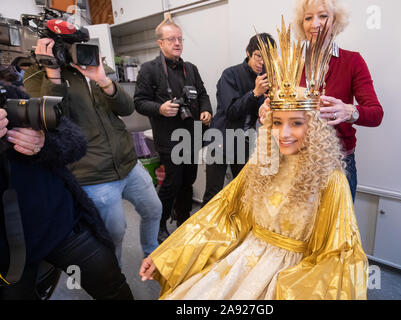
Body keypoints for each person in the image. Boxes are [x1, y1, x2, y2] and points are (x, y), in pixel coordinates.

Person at [138, 22, 368, 299]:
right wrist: (168, 254)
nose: (284, 133)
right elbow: (221, 214)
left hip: (291, 277)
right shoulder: (262, 163)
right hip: (242, 248)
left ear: (314, 127)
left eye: (296, 123)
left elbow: (339, 255)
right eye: (277, 122)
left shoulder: (330, 179)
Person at [24, 39, 162, 263]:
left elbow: (127, 108)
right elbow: (51, 121)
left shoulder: (95, 70)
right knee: (114, 232)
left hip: (128, 163)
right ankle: (114, 277)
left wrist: (103, 81)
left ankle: (152, 255)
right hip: (93, 174)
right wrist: (53, 75)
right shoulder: (37, 75)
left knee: (154, 209)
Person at [0, 81, 133, 300]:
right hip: (9, 257)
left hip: (65, 226)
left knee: (114, 289)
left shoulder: (9, 94)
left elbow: (76, 141)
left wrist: (44, 143)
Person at [260, 0, 384, 201]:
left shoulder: (353, 61)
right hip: (293, 163)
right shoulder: (289, 64)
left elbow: (376, 114)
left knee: (336, 229)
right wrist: (266, 111)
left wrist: (349, 111)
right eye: (308, 18)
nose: (314, 23)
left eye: (323, 16)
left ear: (335, 21)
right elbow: (276, 111)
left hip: (338, 164)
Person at [134, 18, 212, 242]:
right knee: (172, 182)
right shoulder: (150, 70)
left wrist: (206, 110)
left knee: (188, 179)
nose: (177, 43)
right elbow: (138, 102)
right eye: (171, 39)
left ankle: (184, 218)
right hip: (169, 138)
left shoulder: (191, 69)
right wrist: (160, 108)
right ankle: (159, 223)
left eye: (179, 39)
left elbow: (203, 94)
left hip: (193, 135)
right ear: (160, 43)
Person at [202, 33, 275, 206]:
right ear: (248, 52)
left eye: (268, 58)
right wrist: (255, 93)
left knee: (243, 191)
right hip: (220, 139)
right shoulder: (230, 74)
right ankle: (207, 232)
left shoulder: (266, 78)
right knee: (213, 194)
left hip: (244, 141)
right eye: (258, 56)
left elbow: (260, 112)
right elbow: (231, 112)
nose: (262, 62)